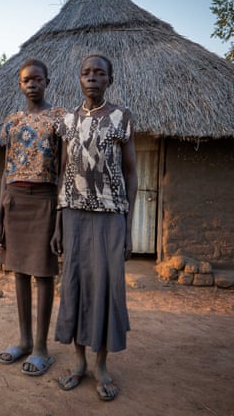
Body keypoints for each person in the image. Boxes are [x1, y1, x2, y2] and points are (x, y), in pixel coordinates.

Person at [51, 54, 138, 401]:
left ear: (109, 79)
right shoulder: (67, 121)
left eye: (99, 73)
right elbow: (62, 172)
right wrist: (58, 224)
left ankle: (101, 366)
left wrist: (128, 225)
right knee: (73, 286)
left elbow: (131, 172)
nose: (92, 78)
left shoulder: (121, 118)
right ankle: (78, 363)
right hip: (73, 216)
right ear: (78, 79)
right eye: (86, 73)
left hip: (110, 217)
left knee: (105, 288)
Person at [0, 59, 66, 376]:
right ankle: (23, 341)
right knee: (19, 273)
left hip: (45, 200)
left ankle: (41, 348)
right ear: (20, 85)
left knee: (43, 274)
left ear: (47, 81)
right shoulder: (12, 121)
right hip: (15, 201)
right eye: (26, 80)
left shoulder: (59, 119)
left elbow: (64, 171)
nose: (32, 84)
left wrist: (60, 215)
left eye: (37, 79)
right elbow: (5, 171)